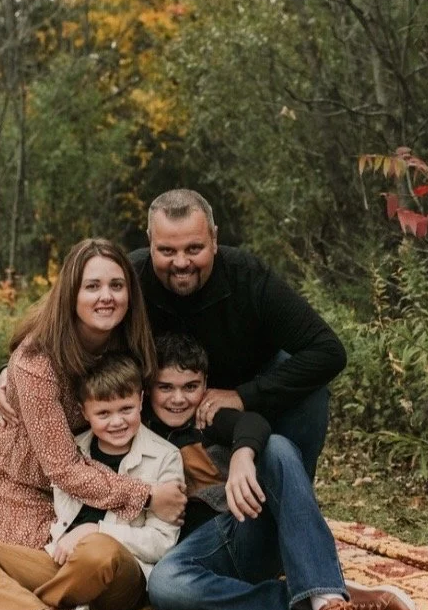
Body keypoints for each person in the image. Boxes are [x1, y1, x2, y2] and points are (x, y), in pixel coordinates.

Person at [0, 238, 187, 594]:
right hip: (18, 469)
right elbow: (62, 467)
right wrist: (146, 496)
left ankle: (9, 603)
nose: (106, 296)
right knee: (42, 559)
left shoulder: (126, 340)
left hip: (83, 461)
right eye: (92, 286)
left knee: (82, 553)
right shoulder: (37, 361)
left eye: (117, 285)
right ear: (71, 294)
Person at [144, 333, 418, 610]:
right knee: (164, 585)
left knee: (276, 446)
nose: (178, 399)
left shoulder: (208, 419)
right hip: (201, 556)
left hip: (245, 531)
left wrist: (242, 456)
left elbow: (254, 425)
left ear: (205, 384)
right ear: (148, 386)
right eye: (165, 387)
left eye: (190, 387)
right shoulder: (136, 429)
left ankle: (327, 601)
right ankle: (328, 602)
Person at [0, 353, 184, 610]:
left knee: (99, 550)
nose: (117, 421)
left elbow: (163, 544)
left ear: (141, 400)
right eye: (103, 413)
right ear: (83, 410)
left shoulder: (165, 456)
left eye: (126, 408)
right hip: (63, 563)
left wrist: (96, 530)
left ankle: (1, 609)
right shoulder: (69, 452)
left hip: (121, 574)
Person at [129, 189, 346, 479]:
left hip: (247, 386)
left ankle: (293, 489)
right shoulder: (127, 279)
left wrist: (244, 396)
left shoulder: (248, 276)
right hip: (160, 395)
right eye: (167, 251)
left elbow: (328, 352)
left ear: (215, 239)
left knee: (310, 392)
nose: (181, 263)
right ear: (150, 242)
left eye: (194, 249)